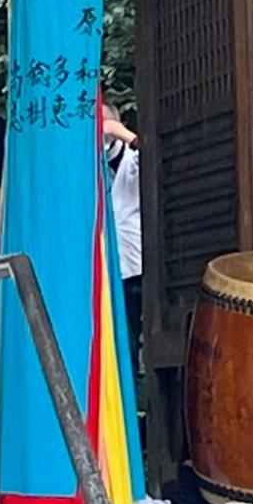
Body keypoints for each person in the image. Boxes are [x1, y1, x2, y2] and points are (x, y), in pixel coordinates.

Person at [102, 106, 144, 362]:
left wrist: (121, 132)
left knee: (136, 336)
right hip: (106, 266)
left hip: (136, 261)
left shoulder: (133, 158)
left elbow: (154, 154)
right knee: (118, 342)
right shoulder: (89, 165)